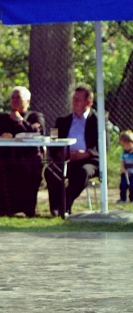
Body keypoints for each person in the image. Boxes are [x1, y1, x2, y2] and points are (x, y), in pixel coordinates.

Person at [0, 86, 45, 217]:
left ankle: (25, 209)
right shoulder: (3, 118)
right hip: (5, 155)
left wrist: (19, 121)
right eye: (13, 97)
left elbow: (36, 132)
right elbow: (0, 133)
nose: (15, 100)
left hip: (28, 156)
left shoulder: (35, 116)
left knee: (25, 170)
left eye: (19, 97)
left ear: (27, 101)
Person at [44, 85, 99, 216]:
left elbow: (103, 146)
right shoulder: (62, 121)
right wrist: (59, 153)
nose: (74, 102)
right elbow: (53, 140)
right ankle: (55, 208)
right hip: (66, 159)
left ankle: (64, 205)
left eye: (78, 99)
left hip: (88, 161)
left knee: (83, 172)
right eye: (74, 98)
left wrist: (85, 154)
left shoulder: (97, 121)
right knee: (51, 171)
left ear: (89, 102)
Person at [118, 130, 133, 203]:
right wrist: (124, 170)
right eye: (123, 145)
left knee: (132, 186)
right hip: (126, 173)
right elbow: (122, 163)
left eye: (126, 145)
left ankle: (132, 198)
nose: (124, 147)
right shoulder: (124, 153)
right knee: (123, 185)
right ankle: (122, 198)